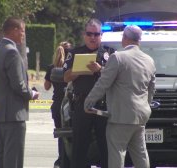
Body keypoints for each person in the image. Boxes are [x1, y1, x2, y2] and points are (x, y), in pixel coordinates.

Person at [84, 25, 156, 168]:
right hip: (140, 116)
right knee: (140, 154)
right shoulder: (149, 60)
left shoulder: (117, 57)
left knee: (117, 152)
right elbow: (151, 89)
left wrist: (88, 102)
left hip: (120, 117)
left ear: (125, 38)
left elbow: (103, 83)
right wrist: (146, 105)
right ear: (139, 40)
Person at [0, 17, 39, 168]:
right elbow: (18, 85)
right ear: (15, 30)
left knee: (1, 157)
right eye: (22, 31)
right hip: (14, 115)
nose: (23, 35)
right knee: (13, 159)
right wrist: (32, 94)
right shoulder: (12, 53)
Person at [63, 18, 114, 168]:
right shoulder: (74, 53)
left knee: (106, 146)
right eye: (89, 34)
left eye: (96, 34)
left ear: (101, 35)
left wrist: (100, 70)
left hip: (103, 106)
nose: (92, 37)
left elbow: (116, 78)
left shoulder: (110, 53)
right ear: (84, 35)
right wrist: (78, 70)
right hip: (82, 104)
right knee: (79, 146)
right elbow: (65, 77)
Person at [44, 41, 72, 168]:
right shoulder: (71, 67)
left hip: (57, 105)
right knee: (73, 134)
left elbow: (46, 86)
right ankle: (69, 159)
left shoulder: (52, 67)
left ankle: (62, 159)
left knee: (61, 135)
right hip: (70, 105)